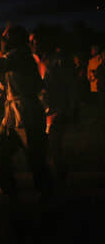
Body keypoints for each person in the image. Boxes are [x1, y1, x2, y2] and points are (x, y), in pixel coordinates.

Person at [0, 25, 53, 203]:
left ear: (16, 39)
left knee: (36, 160)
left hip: (27, 114)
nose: (2, 40)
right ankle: (9, 193)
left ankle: (47, 197)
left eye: (6, 36)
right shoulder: (16, 56)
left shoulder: (19, 55)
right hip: (13, 115)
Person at [30, 31, 74, 186]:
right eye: (31, 40)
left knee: (53, 148)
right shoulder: (34, 61)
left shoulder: (59, 61)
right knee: (47, 150)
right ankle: (57, 179)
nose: (32, 43)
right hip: (43, 111)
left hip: (57, 110)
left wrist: (66, 108)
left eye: (35, 40)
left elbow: (69, 86)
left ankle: (59, 182)